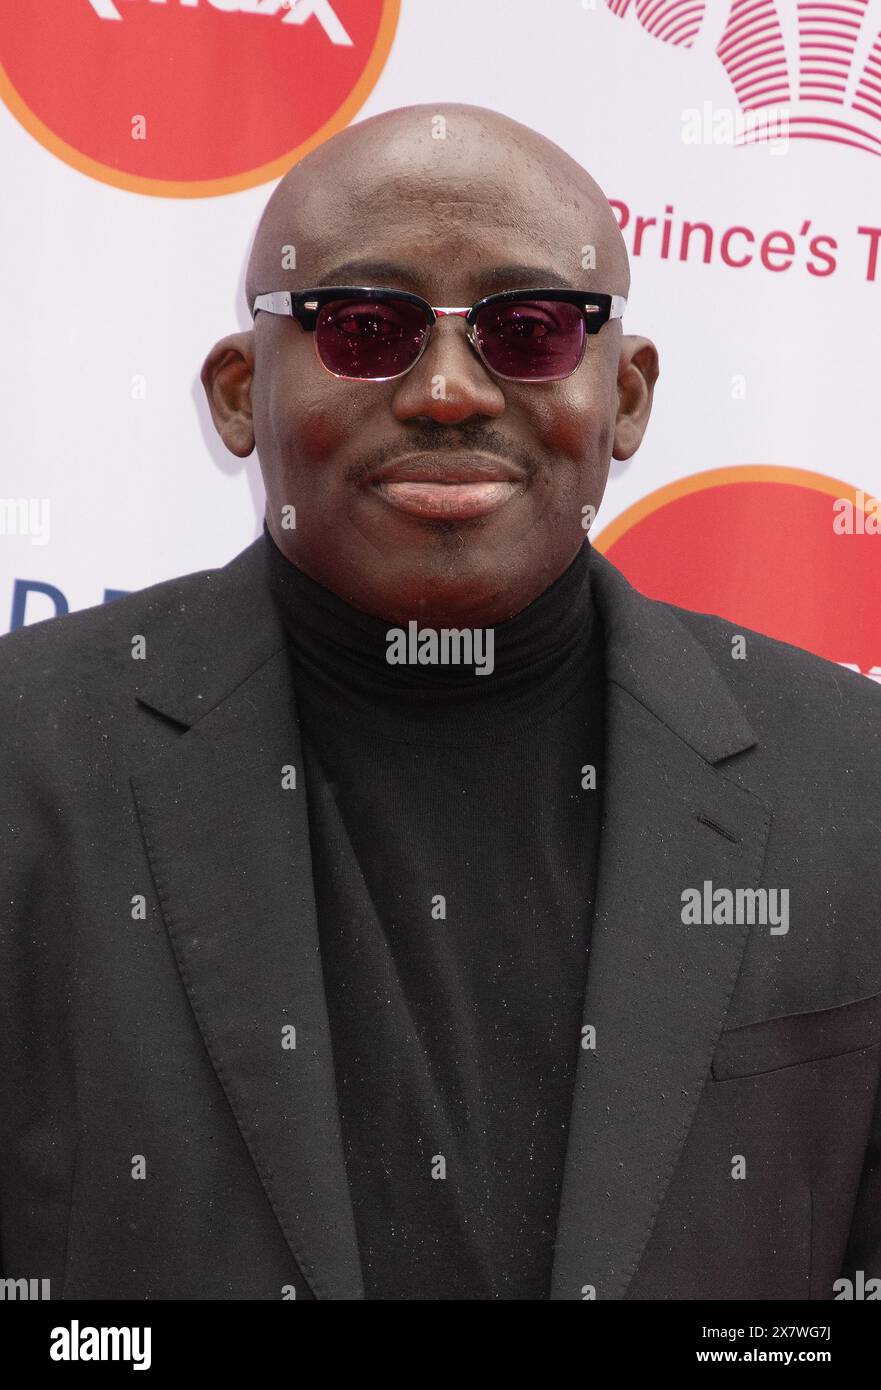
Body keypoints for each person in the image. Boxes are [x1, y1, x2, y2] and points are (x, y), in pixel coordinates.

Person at [1, 102, 879, 1302]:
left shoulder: (851, 784)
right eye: (365, 328)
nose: (450, 393)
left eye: (528, 331)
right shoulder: (25, 756)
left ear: (623, 397)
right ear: (235, 393)